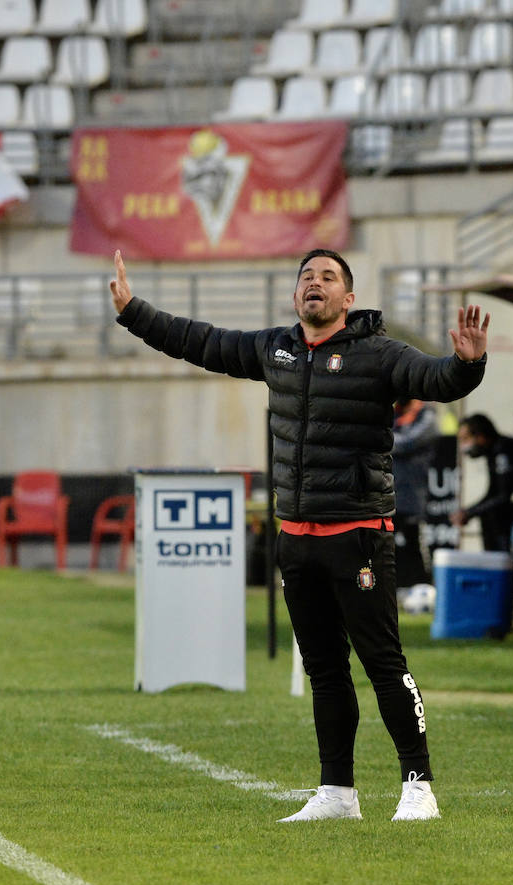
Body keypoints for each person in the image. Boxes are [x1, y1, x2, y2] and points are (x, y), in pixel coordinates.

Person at [110, 248, 488, 822]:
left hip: (359, 536)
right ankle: (338, 793)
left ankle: (419, 785)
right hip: (297, 538)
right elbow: (201, 342)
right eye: (306, 277)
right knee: (325, 670)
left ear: (348, 298)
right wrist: (134, 311)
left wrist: (466, 365)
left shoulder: (381, 354)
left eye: (328, 277)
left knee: (383, 663)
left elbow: (435, 378)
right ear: (295, 296)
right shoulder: (275, 348)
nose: (315, 284)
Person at [451, 414, 513, 553]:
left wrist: (470, 512)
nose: (463, 446)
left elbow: (503, 495)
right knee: (487, 512)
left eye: (466, 439)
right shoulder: (493, 452)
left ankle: (501, 563)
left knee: (494, 513)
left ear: (481, 436)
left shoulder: (504, 450)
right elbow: (493, 492)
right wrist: (469, 512)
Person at [390, 398, 438, 592]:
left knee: (411, 539)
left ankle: (420, 585)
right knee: (391, 542)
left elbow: (407, 442)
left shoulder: (426, 415)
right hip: (389, 490)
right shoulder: (395, 412)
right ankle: (399, 584)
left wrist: (380, 439)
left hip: (412, 492)